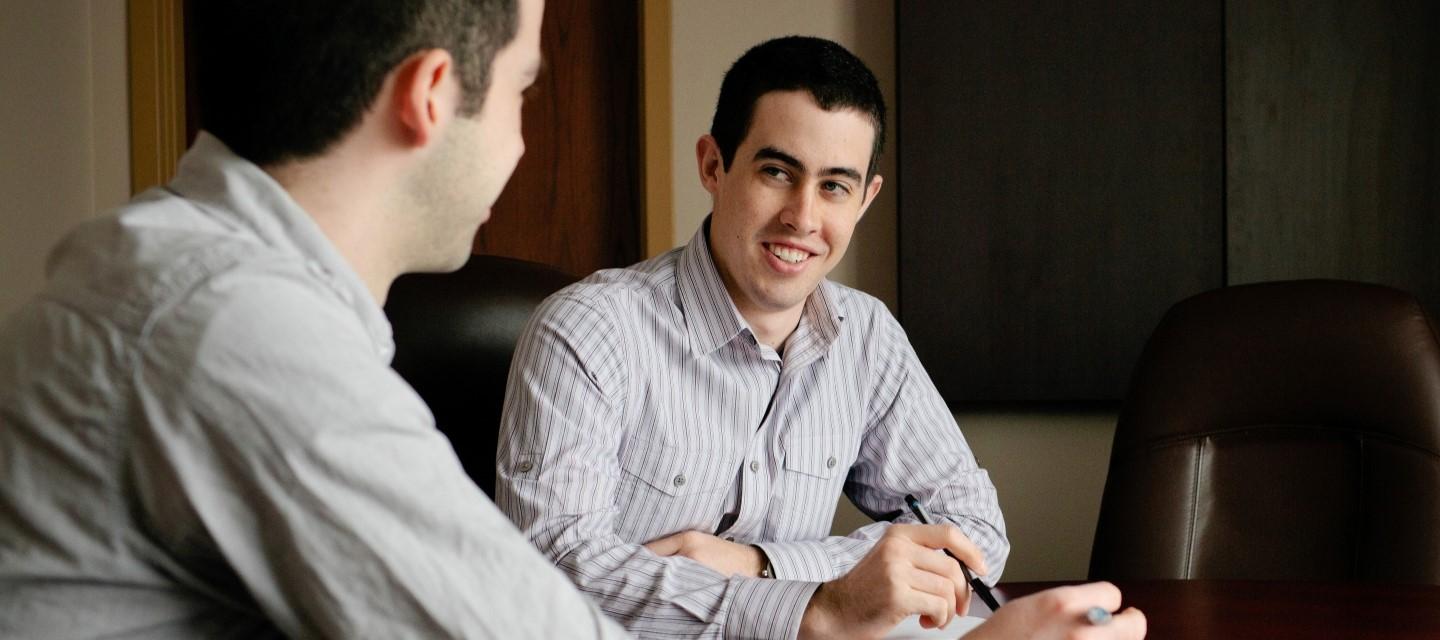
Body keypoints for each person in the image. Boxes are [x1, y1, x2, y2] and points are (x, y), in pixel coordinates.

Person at [0, 0, 1140, 635]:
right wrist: (828, 615)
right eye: (528, 89)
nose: (523, 140)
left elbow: (961, 533)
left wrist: (760, 568)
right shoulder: (235, 329)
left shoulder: (186, 274)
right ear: (432, 97)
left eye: (839, 184)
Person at [493, 36, 1015, 638]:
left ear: (865, 199)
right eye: (777, 172)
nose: (803, 217)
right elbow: (554, 565)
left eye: (834, 186)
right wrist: (815, 609)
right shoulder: (588, 329)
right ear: (714, 166)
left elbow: (973, 531)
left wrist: (765, 567)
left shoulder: (867, 337)